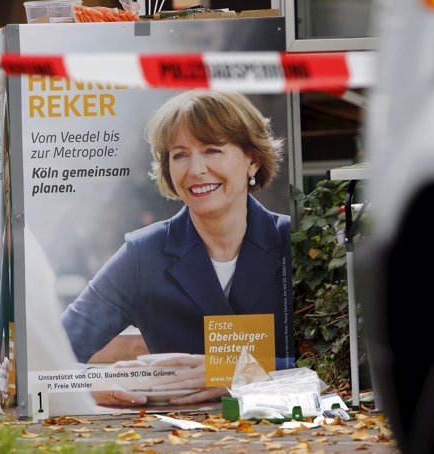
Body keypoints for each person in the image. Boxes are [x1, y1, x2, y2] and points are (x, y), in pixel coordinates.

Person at [60, 90, 293, 407]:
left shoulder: (294, 244)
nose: (195, 169)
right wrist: (90, 382)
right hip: (172, 438)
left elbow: (350, 366)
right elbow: (50, 353)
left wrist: (242, 373)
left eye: (212, 150)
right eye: (180, 154)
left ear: (252, 160)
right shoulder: (142, 255)